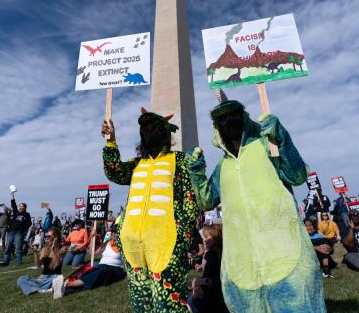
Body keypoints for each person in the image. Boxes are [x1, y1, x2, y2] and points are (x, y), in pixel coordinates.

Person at [189, 100, 325, 312]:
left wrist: (282, 139)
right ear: (216, 127)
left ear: (244, 117)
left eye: (233, 115)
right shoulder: (222, 166)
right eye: (222, 119)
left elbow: (297, 175)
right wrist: (196, 172)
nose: (228, 122)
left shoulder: (266, 146)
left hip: (284, 257)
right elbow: (206, 202)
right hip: (243, 268)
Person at [101, 108, 198, 312]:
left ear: (164, 133)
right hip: (132, 244)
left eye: (152, 127)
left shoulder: (180, 161)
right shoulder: (136, 164)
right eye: (143, 128)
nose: (147, 131)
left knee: (168, 304)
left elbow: (189, 198)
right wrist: (111, 141)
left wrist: (185, 233)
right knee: (141, 304)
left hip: (167, 243)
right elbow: (115, 172)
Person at [52, 225, 126, 299]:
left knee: (101, 271)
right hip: (101, 266)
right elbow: (93, 252)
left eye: (116, 233)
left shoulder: (124, 245)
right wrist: (92, 238)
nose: (113, 235)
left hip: (115, 269)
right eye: (112, 232)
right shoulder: (107, 243)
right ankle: (64, 286)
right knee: (89, 270)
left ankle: (67, 284)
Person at [187, 225, 228, 313]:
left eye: (207, 237)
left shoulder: (223, 255)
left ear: (216, 238)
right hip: (208, 293)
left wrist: (203, 281)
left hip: (218, 298)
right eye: (204, 237)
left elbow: (223, 278)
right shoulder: (210, 253)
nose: (204, 240)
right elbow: (206, 271)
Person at [17, 227, 67, 295]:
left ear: (56, 237)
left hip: (55, 277)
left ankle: (37, 289)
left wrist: (52, 249)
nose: (47, 238)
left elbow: (57, 264)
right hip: (44, 278)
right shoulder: (45, 249)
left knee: (60, 281)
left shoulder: (62, 248)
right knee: (21, 279)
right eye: (46, 236)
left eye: (49, 236)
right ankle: (41, 290)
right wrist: (36, 253)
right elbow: (38, 265)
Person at [2, 191, 31, 266]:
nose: (20, 207)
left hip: (18, 233)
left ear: (25, 208)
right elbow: (13, 205)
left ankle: (18, 263)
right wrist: (12, 196)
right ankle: (5, 262)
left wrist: (23, 229)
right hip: (10, 232)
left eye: (22, 206)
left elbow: (29, 223)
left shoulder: (26, 215)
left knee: (18, 248)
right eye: (20, 206)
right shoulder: (15, 212)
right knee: (7, 247)